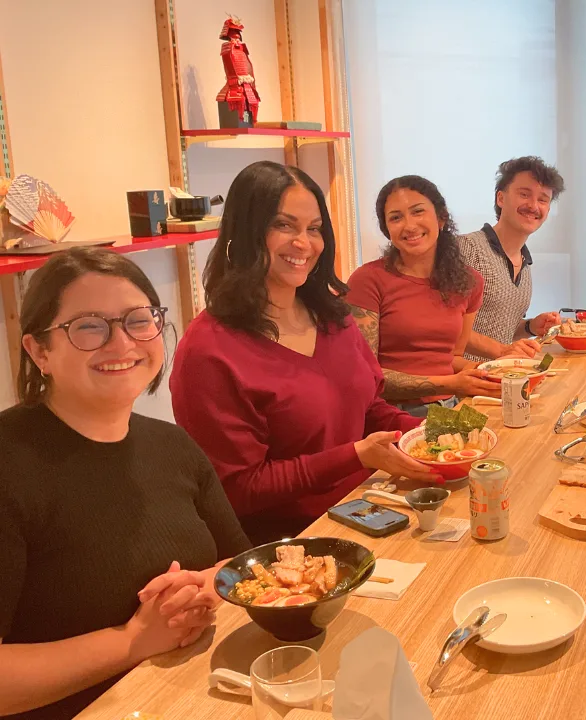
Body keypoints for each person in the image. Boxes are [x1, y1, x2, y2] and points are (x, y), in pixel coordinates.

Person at [0, 249, 250, 720]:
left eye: (139, 320)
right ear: (39, 352)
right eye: (89, 326)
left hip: (195, 697)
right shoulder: (9, 465)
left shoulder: (172, 444)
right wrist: (133, 640)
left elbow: (239, 562)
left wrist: (210, 586)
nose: (121, 343)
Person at [172, 162, 439, 546]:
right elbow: (237, 489)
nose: (304, 243)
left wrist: (436, 433)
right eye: (283, 225)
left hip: (373, 508)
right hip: (293, 545)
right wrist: (356, 456)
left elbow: (368, 410)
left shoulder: (332, 316)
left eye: (314, 229)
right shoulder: (209, 351)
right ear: (245, 233)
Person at [347, 175, 503, 413]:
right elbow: (366, 375)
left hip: (450, 407)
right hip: (390, 414)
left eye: (418, 212)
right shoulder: (367, 280)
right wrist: (449, 383)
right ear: (387, 229)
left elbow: (453, 358)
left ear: (441, 219)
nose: (409, 226)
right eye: (396, 218)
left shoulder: (468, 282)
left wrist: (492, 371)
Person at [459, 156, 564, 361]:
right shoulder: (468, 249)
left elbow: (498, 331)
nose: (533, 206)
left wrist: (530, 326)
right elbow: (447, 330)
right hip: (464, 384)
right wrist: (502, 351)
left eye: (543, 199)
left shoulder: (525, 265)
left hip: (501, 378)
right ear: (501, 198)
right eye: (524, 194)